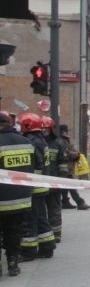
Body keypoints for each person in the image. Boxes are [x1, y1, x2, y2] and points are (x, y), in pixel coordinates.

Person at [0, 110, 35, 278]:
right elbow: (34, 169)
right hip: (22, 198)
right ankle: (13, 263)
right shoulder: (26, 142)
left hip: (1, 199)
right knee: (14, 231)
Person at [18, 113, 56, 260]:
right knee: (41, 217)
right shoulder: (41, 140)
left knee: (31, 218)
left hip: (34, 186)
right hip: (41, 185)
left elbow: (37, 164)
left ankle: (29, 251)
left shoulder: (31, 141)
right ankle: (47, 247)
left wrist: (29, 180)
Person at [41, 116, 66, 242]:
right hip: (40, 182)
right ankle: (46, 233)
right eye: (42, 128)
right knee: (41, 210)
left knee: (54, 209)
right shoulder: (37, 142)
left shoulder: (58, 143)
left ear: (51, 129)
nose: (43, 130)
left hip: (54, 181)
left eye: (46, 128)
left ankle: (56, 234)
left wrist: (61, 181)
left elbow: (63, 163)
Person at [58, 124, 90, 211]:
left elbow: (71, 149)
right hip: (64, 168)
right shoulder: (61, 141)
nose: (68, 132)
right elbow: (66, 153)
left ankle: (65, 201)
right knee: (71, 185)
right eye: (67, 131)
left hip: (66, 168)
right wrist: (76, 155)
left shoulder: (64, 140)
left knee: (65, 185)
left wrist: (76, 153)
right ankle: (80, 202)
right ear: (64, 131)